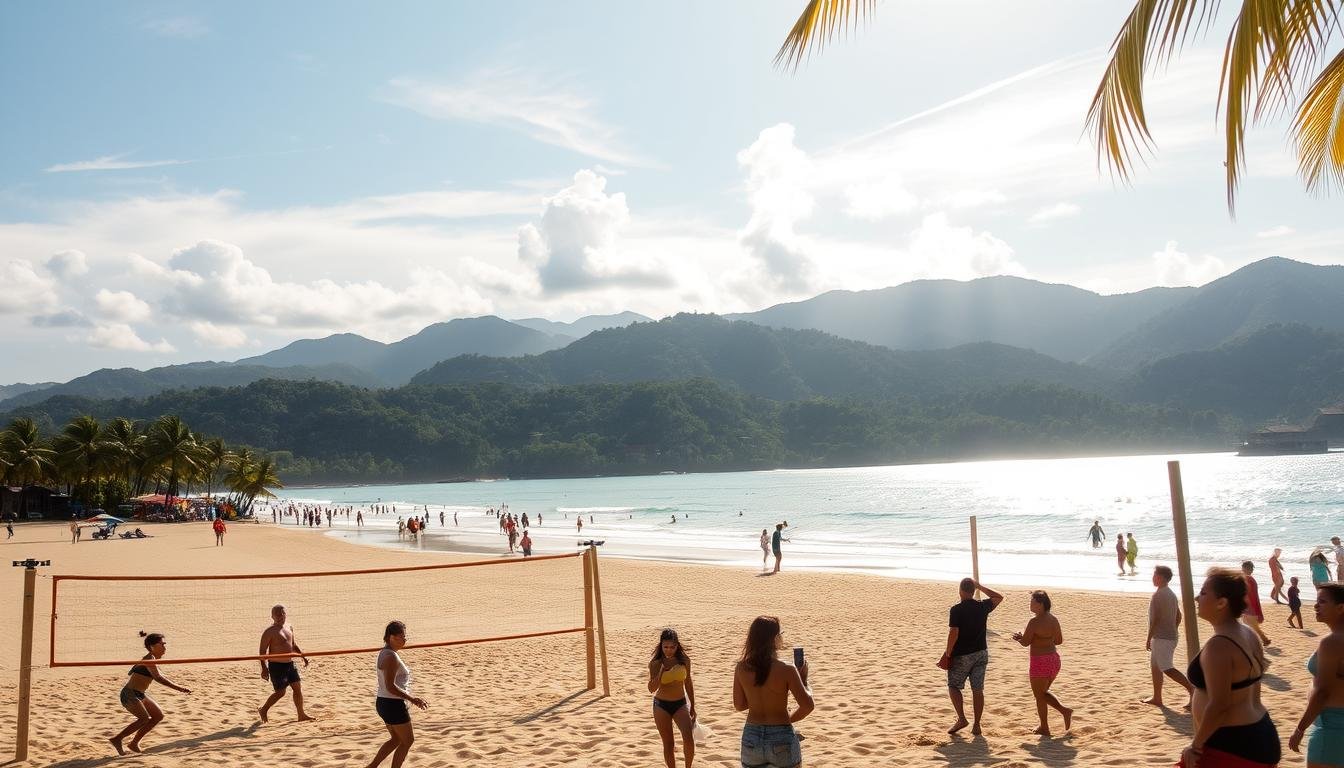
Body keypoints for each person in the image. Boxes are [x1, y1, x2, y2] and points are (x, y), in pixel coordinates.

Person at [1179, 567, 1280, 768]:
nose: (1197, 598)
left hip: (1233, 743)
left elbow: (1220, 705)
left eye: (1204, 593)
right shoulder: (1248, 634)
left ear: (1221, 603)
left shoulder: (1219, 645)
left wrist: (1196, 745)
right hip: (1260, 732)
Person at [732, 616, 812, 768]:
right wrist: (804, 681)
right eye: (780, 634)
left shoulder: (741, 668)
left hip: (752, 736)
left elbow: (739, 705)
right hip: (781, 734)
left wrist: (757, 696)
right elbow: (807, 706)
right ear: (774, 638)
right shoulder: (787, 669)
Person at [1288, 582, 1344, 766]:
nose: (1315, 605)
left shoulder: (1332, 642)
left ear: (1340, 608)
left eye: (1322, 601)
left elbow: (1322, 693)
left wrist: (1299, 729)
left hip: (1330, 726)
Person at [109, 631, 191, 755]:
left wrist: (180, 686)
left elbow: (152, 674)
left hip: (139, 694)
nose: (164, 647)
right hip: (130, 694)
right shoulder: (149, 659)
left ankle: (133, 743)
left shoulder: (150, 659)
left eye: (164, 644)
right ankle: (117, 739)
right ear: (152, 647)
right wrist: (179, 688)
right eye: (162, 644)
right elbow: (158, 678)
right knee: (144, 719)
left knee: (158, 716)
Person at [941, 577, 1004, 735]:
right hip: (981, 653)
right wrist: (980, 587)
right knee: (977, 689)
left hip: (963, 655)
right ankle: (977, 725)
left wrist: (948, 653)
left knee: (953, 686)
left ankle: (962, 718)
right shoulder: (982, 606)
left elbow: (954, 632)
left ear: (961, 591)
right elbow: (998, 597)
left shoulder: (956, 610)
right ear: (973, 590)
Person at [363, 621, 428, 768]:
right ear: (391, 637)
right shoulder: (391, 656)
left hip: (383, 702)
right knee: (407, 741)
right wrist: (412, 699)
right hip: (392, 704)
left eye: (405, 636)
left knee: (396, 740)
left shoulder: (384, 652)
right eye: (402, 636)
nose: (405, 640)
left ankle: (372, 766)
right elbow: (390, 686)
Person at [1012, 590, 1072, 736]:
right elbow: (1058, 641)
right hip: (1053, 659)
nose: (1030, 604)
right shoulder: (1053, 619)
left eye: (1033, 601)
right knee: (1042, 694)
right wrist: (1044, 639)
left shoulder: (1034, 621)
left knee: (1040, 695)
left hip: (1040, 661)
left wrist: (1019, 638)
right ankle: (1044, 726)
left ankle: (1064, 711)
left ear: (1040, 604)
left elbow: (1026, 643)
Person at [1144, 565, 1194, 708]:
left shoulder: (1159, 595)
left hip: (1162, 638)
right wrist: (1174, 629)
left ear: (1161, 578)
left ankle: (1192, 689)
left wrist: (1149, 637)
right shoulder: (1170, 593)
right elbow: (1179, 616)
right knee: (1155, 667)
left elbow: (1157, 619)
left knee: (1166, 667)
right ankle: (1157, 697)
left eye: (1155, 576)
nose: (1153, 578)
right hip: (1167, 636)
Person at [648, 628, 697, 768]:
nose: (669, 650)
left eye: (672, 647)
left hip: (680, 704)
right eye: (666, 647)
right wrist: (662, 671)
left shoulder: (685, 660)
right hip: (661, 705)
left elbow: (688, 682)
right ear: (661, 646)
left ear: (677, 645)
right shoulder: (655, 663)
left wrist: (693, 705)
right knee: (668, 743)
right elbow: (651, 688)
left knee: (688, 738)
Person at [258, 605, 314, 723]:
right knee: (280, 693)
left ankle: (301, 715)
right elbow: (262, 651)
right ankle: (264, 709)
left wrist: (302, 656)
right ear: (272, 616)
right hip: (276, 666)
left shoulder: (289, 627)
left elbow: (292, 644)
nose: (280, 616)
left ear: (285, 614)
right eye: (277, 614)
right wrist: (264, 668)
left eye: (282, 613)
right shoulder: (269, 632)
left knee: (297, 689)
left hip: (290, 664)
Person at [1241, 561, 1272, 647]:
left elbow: (1246, 594)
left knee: (1250, 626)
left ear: (1246, 569)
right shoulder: (1251, 579)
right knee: (1252, 626)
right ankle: (1264, 640)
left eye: (1243, 569)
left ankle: (1264, 640)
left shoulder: (1247, 579)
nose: (1242, 570)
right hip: (1251, 607)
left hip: (1249, 608)